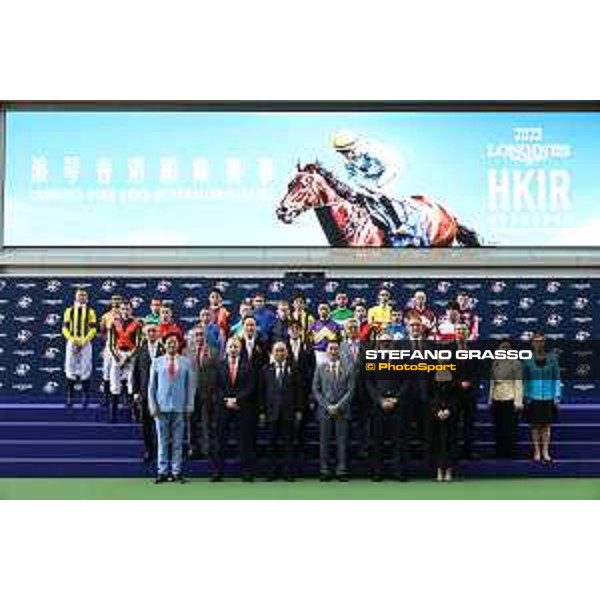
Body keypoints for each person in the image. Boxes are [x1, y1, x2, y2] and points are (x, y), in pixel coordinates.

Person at [332, 130, 414, 245]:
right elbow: (353, 179)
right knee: (362, 195)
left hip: (392, 166)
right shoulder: (349, 162)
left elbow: (390, 166)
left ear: (354, 146)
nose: (346, 156)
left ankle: (400, 225)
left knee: (380, 192)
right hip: (373, 173)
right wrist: (360, 190)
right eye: (342, 153)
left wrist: (377, 187)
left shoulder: (371, 151)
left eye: (347, 151)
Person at [148, 333, 195, 483]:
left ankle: (176, 472)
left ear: (178, 345)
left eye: (174, 343)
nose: (171, 345)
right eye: (169, 343)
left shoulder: (186, 362)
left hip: (180, 408)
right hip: (161, 408)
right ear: (164, 344)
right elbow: (151, 387)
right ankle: (162, 472)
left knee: (177, 442)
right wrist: (153, 405)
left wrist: (189, 405)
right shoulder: (156, 362)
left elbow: (190, 386)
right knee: (162, 442)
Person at [366, 333, 410, 481]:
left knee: (398, 440)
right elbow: (369, 382)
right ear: (379, 342)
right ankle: (378, 472)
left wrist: (396, 399)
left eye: (388, 341)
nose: (385, 343)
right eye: (383, 341)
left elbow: (407, 381)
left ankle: (398, 471)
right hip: (379, 405)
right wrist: (380, 400)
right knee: (378, 440)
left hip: (398, 405)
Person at [213, 337, 256, 482]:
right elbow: (217, 386)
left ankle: (246, 472)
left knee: (244, 441)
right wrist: (226, 400)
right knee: (220, 441)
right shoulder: (219, 365)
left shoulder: (248, 365)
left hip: (242, 407)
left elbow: (250, 386)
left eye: (236, 347)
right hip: (223, 408)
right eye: (231, 346)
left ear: (240, 349)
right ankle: (218, 472)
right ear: (226, 348)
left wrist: (236, 399)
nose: (233, 349)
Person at [312, 339, 355, 481]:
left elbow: (350, 390)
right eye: (331, 349)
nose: (333, 351)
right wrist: (327, 406)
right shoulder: (320, 367)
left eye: (336, 349)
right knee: (324, 442)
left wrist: (338, 406)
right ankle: (324, 471)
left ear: (340, 351)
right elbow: (316, 389)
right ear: (326, 351)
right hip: (325, 411)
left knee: (342, 442)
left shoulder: (348, 368)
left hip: (342, 411)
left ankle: (341, 470)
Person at [260, 342, 302, 481]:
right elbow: (262, 392)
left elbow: (299, 392)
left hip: (288, 412)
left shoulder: (370, 351)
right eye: (277, 351)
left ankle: (287, 473)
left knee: (288, 444)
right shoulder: (266, 369)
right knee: (271, 444)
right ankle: (271, 472)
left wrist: (298, 409)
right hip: (272, 412)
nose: (280, 353)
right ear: (272, 353)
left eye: (282, 351)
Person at [523, 332, 561, 463]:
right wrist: (526, 396)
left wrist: (556, 396)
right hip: (533, 397)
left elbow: (556, 378)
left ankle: (545, 451)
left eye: (541, 341)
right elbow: (525, 380)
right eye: (536, 341)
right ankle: (537, 451)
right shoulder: (527, 359)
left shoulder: (552, 358)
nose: (538, 343)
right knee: (535, 426)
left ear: (544, 343)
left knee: (546, 426)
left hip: (549, 396)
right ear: (532, 343)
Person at [106, 300, 144, 422]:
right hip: (117, 354)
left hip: (131, 355)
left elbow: (139, 344)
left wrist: (128, 358)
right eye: (123, 309)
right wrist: (118, 357)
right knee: (114, 384)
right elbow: (111, 343)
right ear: (119, 310)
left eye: (127, 309)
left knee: (132, 384)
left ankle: (134, 413)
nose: (125, 311)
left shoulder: (137, 324)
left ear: (131, 310)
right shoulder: (114, 323)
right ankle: (113, 414)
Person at [132, 323, 165, 462]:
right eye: (149, 331)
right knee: (146, 424)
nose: (151, 333)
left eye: (154, 331)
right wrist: (135, 391)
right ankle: (148, 450)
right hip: (145, 393)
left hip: (163, 393)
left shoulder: (165, 349)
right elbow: (136, 372)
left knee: (163, 424)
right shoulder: (140, 350)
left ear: (158, 333)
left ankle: (162, 451)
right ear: (145, 334)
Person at [185, 326, 219, 459]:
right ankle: (192, 448)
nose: (199, 337)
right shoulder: (186, 352)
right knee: (191, 423)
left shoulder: (214, 352)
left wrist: (215, 393)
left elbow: (217, 375)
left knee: (207, 422)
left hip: (208, 393)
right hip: (191, 393)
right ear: (192, 337)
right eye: (196, 335)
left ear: (205, 337)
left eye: (201, 335)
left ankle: (207, 449)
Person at [61, 288, 97, 408]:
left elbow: (93, 329)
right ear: (75, 297)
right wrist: (73, 340)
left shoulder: (90, 312)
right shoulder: (69, 311)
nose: (81, 297)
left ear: (86, 298)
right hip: (72, 341)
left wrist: (83, 341)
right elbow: (64, 328)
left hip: (85, 342)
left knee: (86, 367)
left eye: (84, 295)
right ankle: (70, 396)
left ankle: (85, 397)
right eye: (79, 295)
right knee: (69, 367)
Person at [489, 339, 523, 459]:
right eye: (501, 347)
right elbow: (492, 382)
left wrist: (518, 401)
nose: (503, 350)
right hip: (497, 398)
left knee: (510, 428)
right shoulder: (495, 363)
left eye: (506, 347)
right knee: (498, 427)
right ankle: (499, 451)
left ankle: (510, 452)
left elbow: (518, 383)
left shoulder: (516, 363)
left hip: (510, 398)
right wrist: (490, 399)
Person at [287, 319, 315, 463]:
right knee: (289, 426)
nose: (294, 331)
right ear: (288, 331)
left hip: (304, 391)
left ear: (301, 331)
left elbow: (312, 369)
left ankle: (303, 453)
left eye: (297, 328)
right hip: (288, 392)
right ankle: (291, 454)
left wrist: (311, 393)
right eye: (292, 328)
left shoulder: (308, 346)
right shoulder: (281, 347)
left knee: (303, 424)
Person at [340, 318, 370, 458]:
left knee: (364, 421)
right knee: (345, 422)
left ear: (359, 330)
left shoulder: (368, 346)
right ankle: (345, 450)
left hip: (364, 390)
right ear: (345, 331)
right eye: (349, 328)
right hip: (345, 390)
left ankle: (363, 449)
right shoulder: (339, 347)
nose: (352, 330)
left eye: (355, 327)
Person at [453, 322, 481, 459]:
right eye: (458, 330)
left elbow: (478, 371)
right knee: (453, 424)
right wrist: (458, 383)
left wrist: (470, 382)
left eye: (463, 330)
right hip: (454, 392)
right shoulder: (447, 349)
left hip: (470, 393)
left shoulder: (474, 349)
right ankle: (454, 451)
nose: (460, 332)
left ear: (467, 332)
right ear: (454, 332)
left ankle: (469, 451)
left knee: (469, 423)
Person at [99, 294, 122, 406]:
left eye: (118, 299)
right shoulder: (106, 316)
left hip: (122, 347)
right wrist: (106, 345)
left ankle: (125, 400)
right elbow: (102, 332)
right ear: (111, 302)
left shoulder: (126, 315)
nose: (116, 302)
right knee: (107, 372)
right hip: (109, 346)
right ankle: (106, 398)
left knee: (124, 373)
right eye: (114, 300)